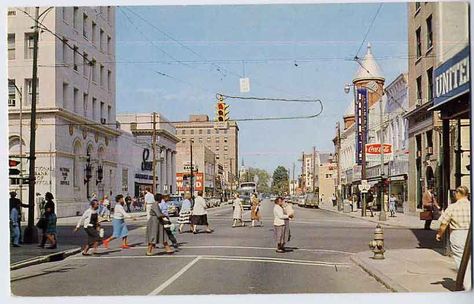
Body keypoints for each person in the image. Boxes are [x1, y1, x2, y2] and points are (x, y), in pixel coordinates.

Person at [436, 186, 471, 291]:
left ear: (458, 194)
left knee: (461, 260)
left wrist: (439, 234)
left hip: (458, 234)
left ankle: (469, 287)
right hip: (471, 233)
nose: (455, 195)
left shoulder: (452, 207)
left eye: (455, 193)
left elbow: (443, 224)